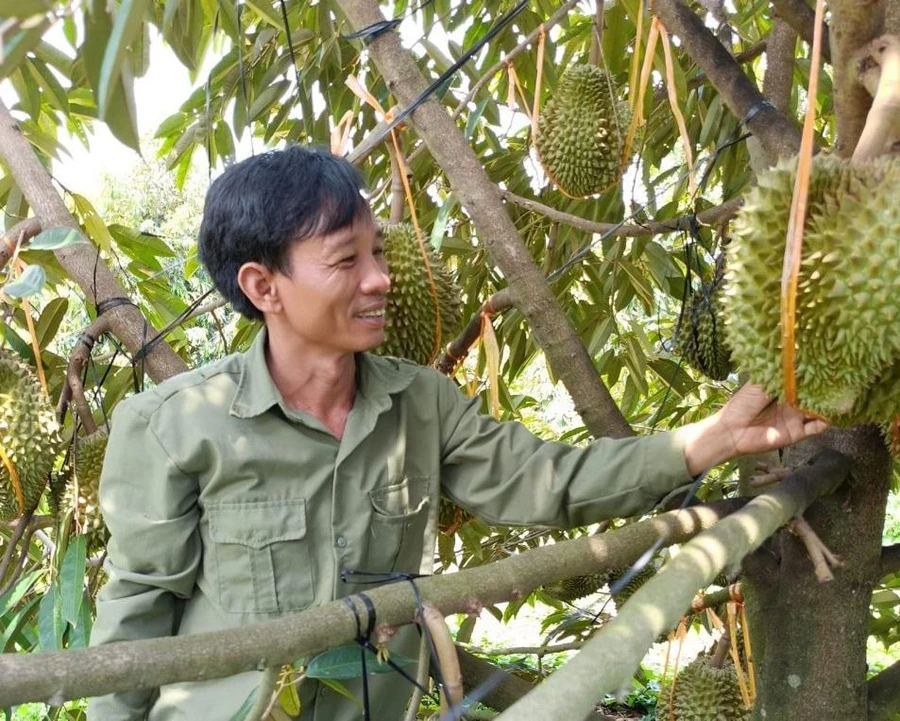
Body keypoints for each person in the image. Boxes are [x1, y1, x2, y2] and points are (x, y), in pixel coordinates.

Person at [88, 145, 827, 720]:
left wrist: (717, 436)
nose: (380, 277)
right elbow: (136, 620)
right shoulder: (171, 425)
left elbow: (549, 481)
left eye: (377, 252)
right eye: (349, 259)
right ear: (263, 286)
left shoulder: (423, 403)